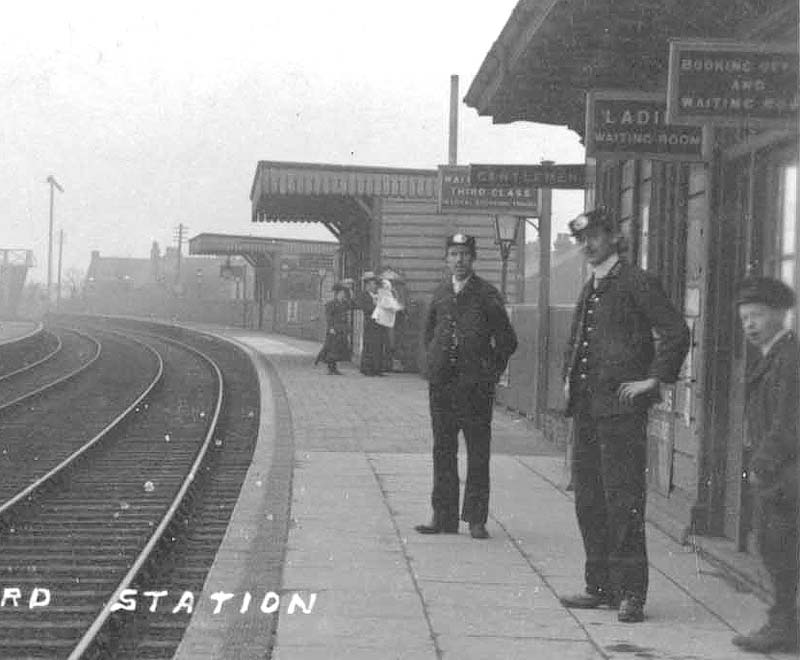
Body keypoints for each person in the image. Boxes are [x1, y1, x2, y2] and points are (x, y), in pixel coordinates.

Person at [559, 207, 689, 623]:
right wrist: (568, 382)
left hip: (621, 414)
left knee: (623, 502)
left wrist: (654, 380)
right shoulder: (591, 285)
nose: (588, 245)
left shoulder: (636, 281)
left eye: (595, 236)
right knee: (589, 501)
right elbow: (579, 340)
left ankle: (632, 593)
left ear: (614, 237)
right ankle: (600, 586)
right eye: (582, 240)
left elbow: (675, 332)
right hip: (588, 412)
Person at [415, 233, 517, 540]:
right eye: (454, 254)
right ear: (446, 259)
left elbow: (508, 341)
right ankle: (442, 517)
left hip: (475, 388)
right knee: (443, 450)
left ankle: (475, 519)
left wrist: (490, 372)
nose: (459, 260)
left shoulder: (486, 294)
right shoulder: (441, 292)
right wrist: (432, 364)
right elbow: (429, 334)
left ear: (473, 258)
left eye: (464, 254)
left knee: (477, 451)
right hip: (443, 386)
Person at [731, 276, 798, 654]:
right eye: (744, 319)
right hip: (778, 472)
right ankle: (782, 623)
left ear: (780, 314)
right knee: (776, 548)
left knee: (779, 550)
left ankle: (782, 627)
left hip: (784, 474)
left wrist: (762, 464)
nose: (750, 325)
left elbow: (787, 422)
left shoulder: (788, 359)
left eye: (757, 316)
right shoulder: (776, 355)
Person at [314, 283, 352, 375]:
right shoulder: (331, 304)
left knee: (338, 348)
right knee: (331, 348)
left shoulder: (344, 303)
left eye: (344, 293)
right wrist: (331, 327)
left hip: (341, 329)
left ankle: (334, 368)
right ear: (338, 293)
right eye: (342, 293)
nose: (344, 294)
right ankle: (330, 368)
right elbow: (329, 317)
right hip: (334, 328)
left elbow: (351, 304)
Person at [356, 272, 386, 376]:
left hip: (380, 324)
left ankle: (377, 368)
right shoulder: (364, 295)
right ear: (367, 285)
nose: (375, 286)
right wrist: (375, 306)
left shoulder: (378, 295)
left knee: (379, 346)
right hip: (369, 324)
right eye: (373, 284)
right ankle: (367, 368)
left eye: (375, 284)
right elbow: (363, 307)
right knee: (369, 346)